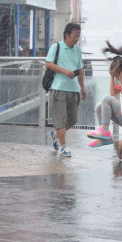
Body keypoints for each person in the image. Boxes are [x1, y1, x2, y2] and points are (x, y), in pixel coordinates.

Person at [86, 42, 122, 150]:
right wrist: (112, 77)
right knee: (99, 106)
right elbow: (113, 93)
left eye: (117, 75)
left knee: (107, 99)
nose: (118, 78)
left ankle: (105, 132)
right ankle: (105, 136)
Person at [45, 22, 86, 158]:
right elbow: (49, 63)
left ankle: (56, 134)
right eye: (75, 36)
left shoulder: (78, 50)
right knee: (60, 119)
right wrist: (65, 71)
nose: (77, 39)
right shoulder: (56, 47)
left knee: (72, 120)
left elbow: (80, 70)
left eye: (78, 36)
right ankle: (63, 146)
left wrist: (82, 88)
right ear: (67, 35)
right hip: (58, 88)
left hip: (73, 89)